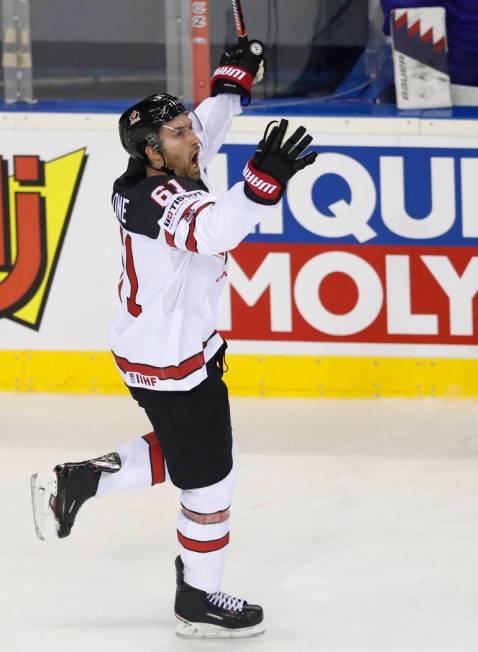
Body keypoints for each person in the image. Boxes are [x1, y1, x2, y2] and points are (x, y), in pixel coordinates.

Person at [31, 39, 317, 639]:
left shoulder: (173, 161)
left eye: (189, 128)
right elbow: (214, 231)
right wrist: (263, 182)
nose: (195, 139)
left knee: (192, 451)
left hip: (181, 349)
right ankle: (198, 598)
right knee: (211, 479)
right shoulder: (148, 197)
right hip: (167, 360)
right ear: (149, 152)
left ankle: (80, 480)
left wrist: (234, 76)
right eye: (180, 134)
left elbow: (213, 118)